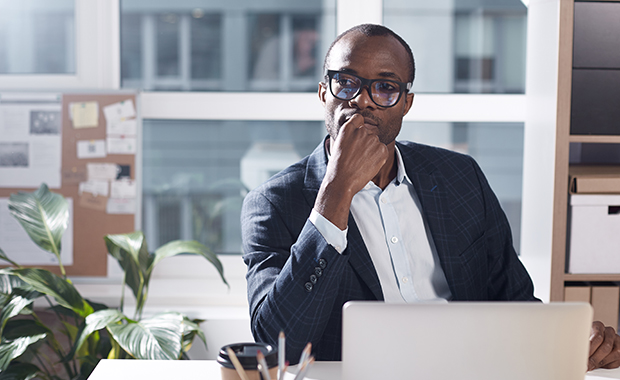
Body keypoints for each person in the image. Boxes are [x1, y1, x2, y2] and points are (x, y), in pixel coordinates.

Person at [241, 23, 620, 370]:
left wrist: (574, 344)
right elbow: (279, 345)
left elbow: (516, 302)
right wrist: (336, 193)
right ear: (324, 92)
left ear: (406, 103)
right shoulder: (274, 203)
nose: (363, 101)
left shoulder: (461, 176)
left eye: (386, 88)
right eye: (347, 83)